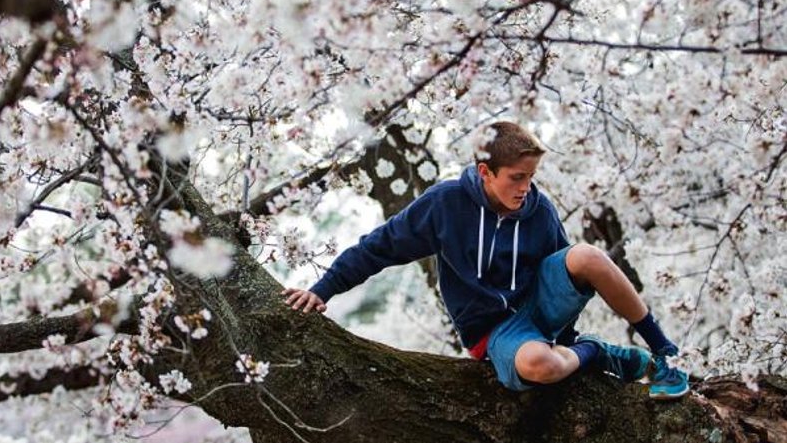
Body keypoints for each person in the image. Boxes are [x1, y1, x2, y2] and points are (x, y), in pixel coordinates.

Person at [282, 121, 689, 399]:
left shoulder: (538, 209)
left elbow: (564, 271)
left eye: (531, 177)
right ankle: (597, 353)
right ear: (485, 172)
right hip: (492, 331)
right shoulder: (445, 205)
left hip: (537, 306)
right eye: (517, 177)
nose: (526, 188)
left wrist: (562, 331)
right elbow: (379, 247)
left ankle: (662, 351)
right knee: (539, 365)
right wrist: (323, 290)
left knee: (587, 255)